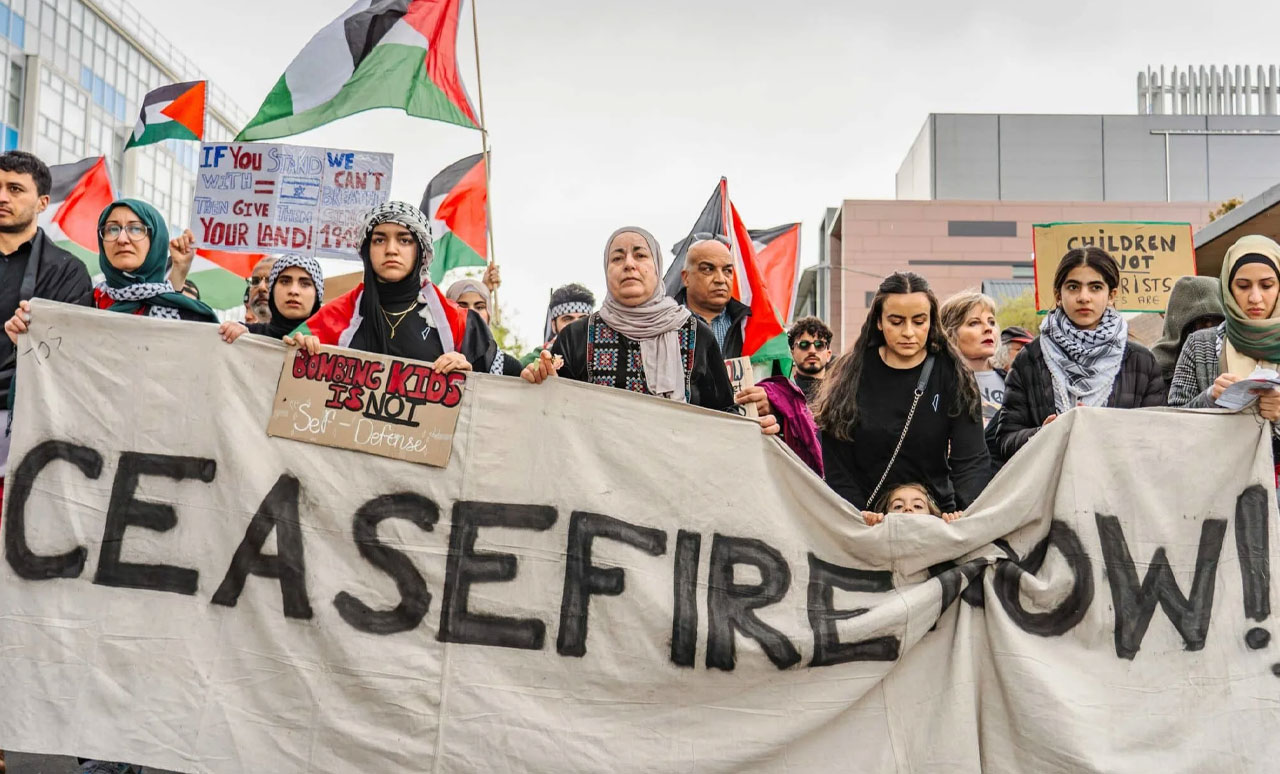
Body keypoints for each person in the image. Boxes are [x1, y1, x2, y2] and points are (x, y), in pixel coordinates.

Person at [522, 226, 778, 435]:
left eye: (640, 255)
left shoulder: (696, 334)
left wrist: (755, 428)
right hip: (596, 480)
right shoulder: (577, 336)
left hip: (676, 477)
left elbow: (724, 414)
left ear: (657, 268)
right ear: (606, 270)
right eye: (617, 258)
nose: (629, 264)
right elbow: (551, 412)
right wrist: (535, 381)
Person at [816, 271, 989, 512]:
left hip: (936, 516)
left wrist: (963, 515)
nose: (908, 332)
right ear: (879, 321)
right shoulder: (850, 374)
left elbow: (971, 461)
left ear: (931, 321)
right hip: (866, 518)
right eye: (896, 322)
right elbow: (838, 464)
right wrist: (858, 516)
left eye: (919, 321)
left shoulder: (953, 374)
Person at [286, 201, 499, 376]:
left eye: (404, 240)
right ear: (367, 250)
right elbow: (280, 378)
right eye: (379, 240)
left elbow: (501, 390)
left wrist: (469, 372)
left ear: (421, 251)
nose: (391, 250)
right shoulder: (333, 317)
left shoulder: (460, 323)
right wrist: (297, 353)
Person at [997, 247, 1164, 460]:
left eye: (1095, 287)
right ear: (1058, 295)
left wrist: (1108, 432)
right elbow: (1005, 441)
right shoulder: (1030, 359)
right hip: (1052, 478)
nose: (1084, 297)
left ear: (1111, 295)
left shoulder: (1140, 361)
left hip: (1118, 479)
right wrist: (1043, 434)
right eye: (1073, 287)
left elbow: (1158, 438)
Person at [0, 150, 92, 501]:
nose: (2, 197)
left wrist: (30, 339)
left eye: (15, 189)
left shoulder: (68, 271)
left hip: (22, 423)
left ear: (42, 202)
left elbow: (70, 356)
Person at [1168, 237, 1280, 456]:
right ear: (1227, 288)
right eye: (1243, 286)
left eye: (1267, 285)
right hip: (1215, 472)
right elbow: (1172, 423)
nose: (1255, 297)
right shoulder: (1200, 345)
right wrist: (1210, 398)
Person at [673, 234, 750, 358]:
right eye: (708, 269)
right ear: (686, 278)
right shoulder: (662, 323)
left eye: (727, 271)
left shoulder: (749, 323)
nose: (720, 279)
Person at [220, 255, 324, 343]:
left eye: (305, 284)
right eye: (285, 282)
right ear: (273, 290)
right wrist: (236, 337)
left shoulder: (330, 339)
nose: (293, 291)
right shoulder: (247, 334)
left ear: (317, 294)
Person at [939, 291, 1004, 425]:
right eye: (974, 323)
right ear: (950, 333)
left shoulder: (1013, 380)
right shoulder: (938, 382)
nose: (988, 329)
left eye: (991, 322)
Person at [1152, 275, 1225, 387]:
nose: (1210, 326)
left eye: (1217, 320)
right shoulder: (1151, 367)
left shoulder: (1233, 357)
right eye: (1204, 320)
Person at [445, 277, 523, 376]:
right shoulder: (434, 354)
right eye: (462, 306)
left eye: (479, 307)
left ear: (489, 313)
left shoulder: (509, 368)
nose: (472, 312)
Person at [521, 282, 596, 367]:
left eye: (583, 319)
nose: (576, 326)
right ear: (553, 325)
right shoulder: (535, 361)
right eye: (567, 319)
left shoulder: (602, 357)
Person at [859, 482, 963, 526]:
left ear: (932, 514)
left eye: (917, 506)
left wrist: (957, 525)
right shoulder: (878, 529)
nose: (908, 508)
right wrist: (869, 522)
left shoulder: (941, 534)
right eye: (898, 506)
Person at [788, 316, 833, 403]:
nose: (812, 351)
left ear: (828, 354)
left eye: (819, 345)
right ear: (792, 353)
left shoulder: (842, 393)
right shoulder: (782, 394)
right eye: (804, 344)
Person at [245, 255, 276, 324]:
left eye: (270, 281)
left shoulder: (299, 329)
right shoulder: (244, 330)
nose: (261, 287)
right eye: (255, 281)